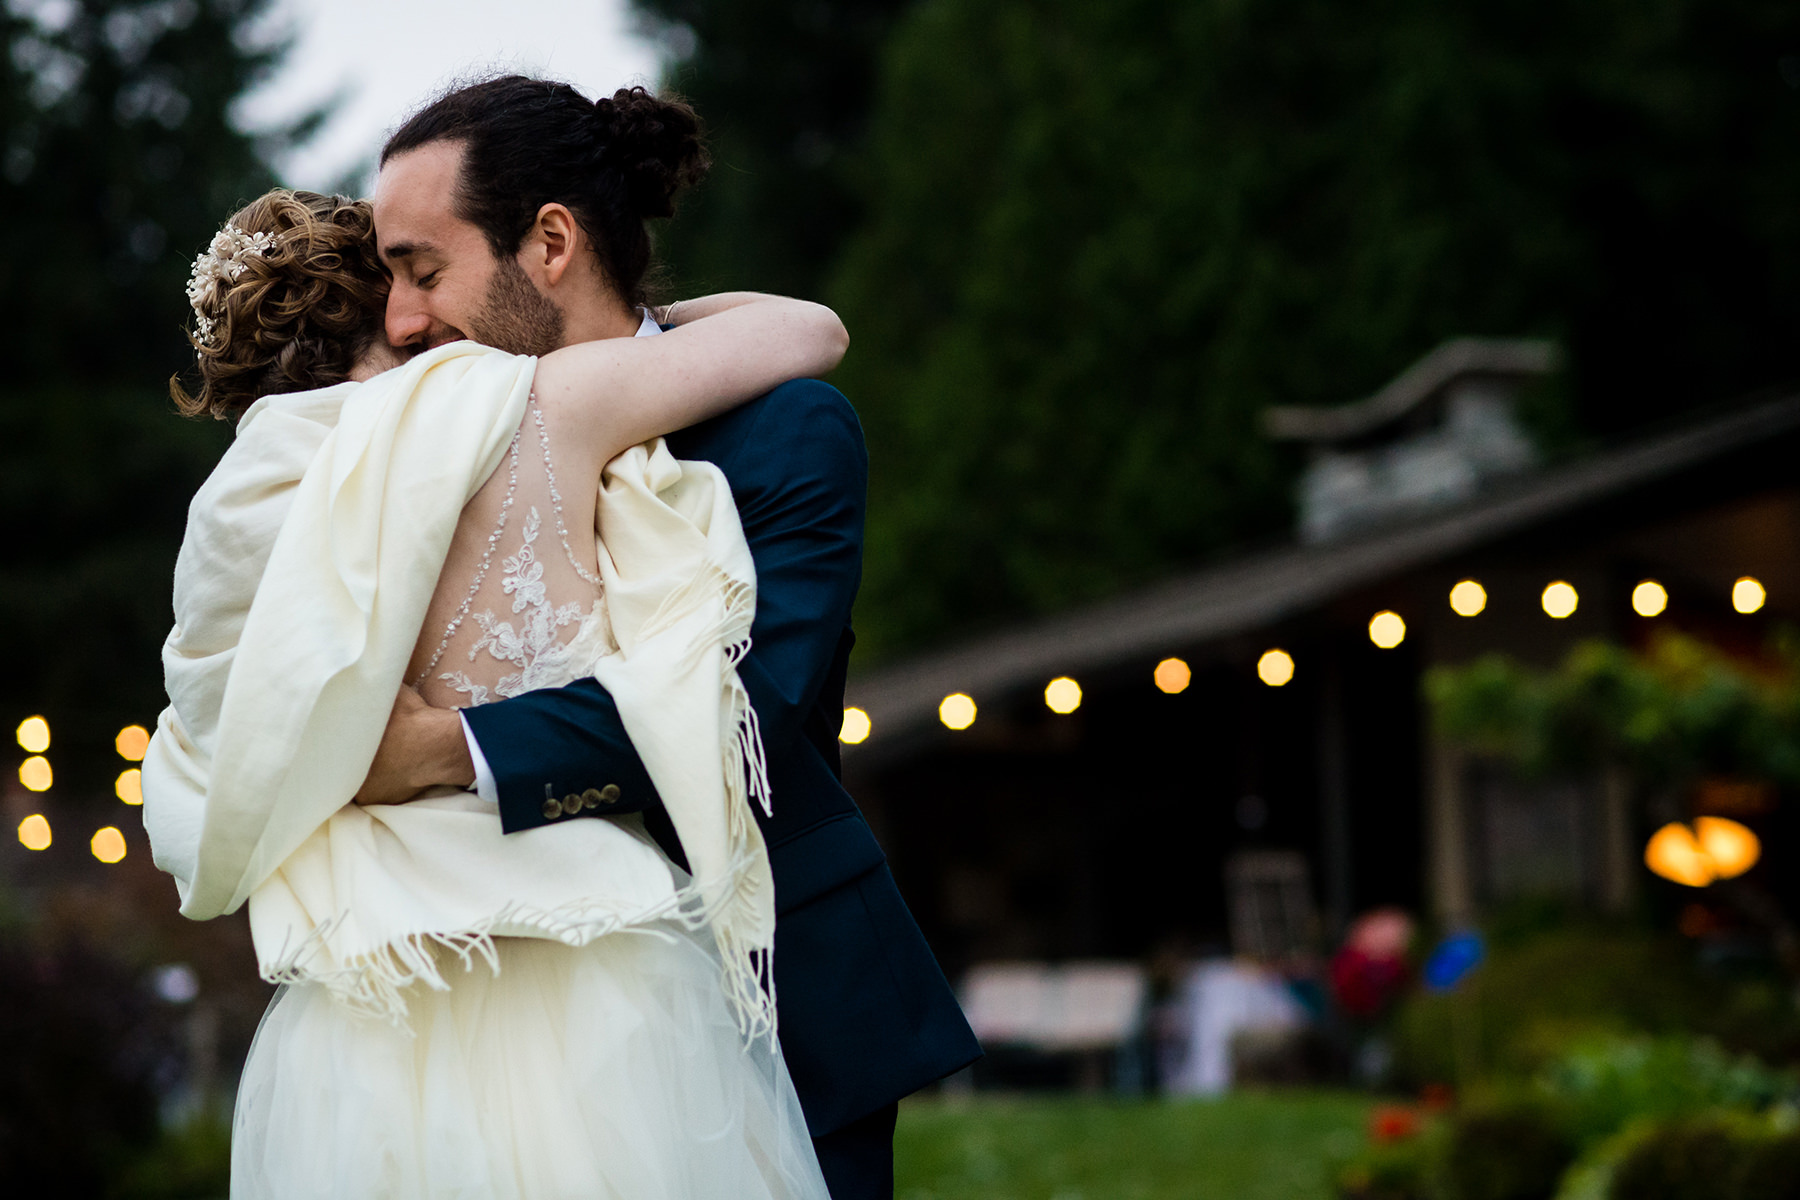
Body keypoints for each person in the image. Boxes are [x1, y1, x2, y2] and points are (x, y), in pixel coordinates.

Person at [146, 178, 851, 1196]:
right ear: (394, 304)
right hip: (591, 961)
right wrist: (635, 327)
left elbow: (208, 748)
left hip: (367, 1003)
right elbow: (808, 332)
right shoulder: (528, 405)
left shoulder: (231, 516)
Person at [356, 77, 981, 1198]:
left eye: (423, 270)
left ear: (551, 241)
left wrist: (450, 751)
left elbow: (749, 708)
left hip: (775, 1000)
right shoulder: (420, 441)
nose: (400, 320)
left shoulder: (784, 426)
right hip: (512, 1027)